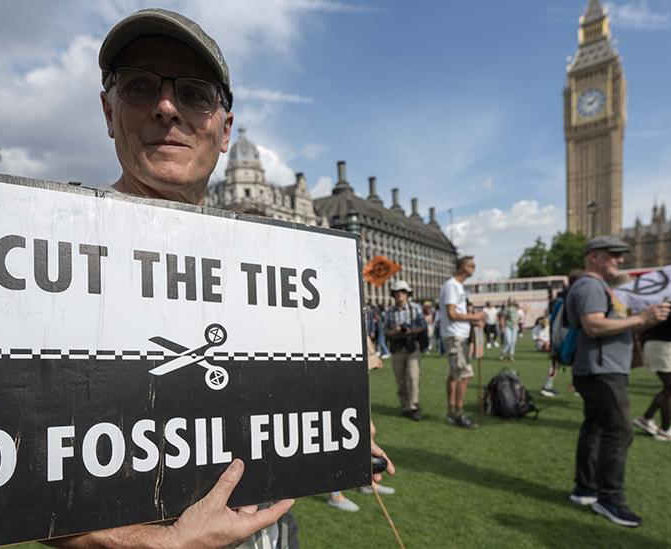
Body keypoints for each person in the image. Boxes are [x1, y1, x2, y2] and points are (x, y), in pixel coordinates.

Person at [46, 10, 394, 547]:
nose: (167, 107)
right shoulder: (59, 248)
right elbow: (25, 479)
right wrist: (153, 543)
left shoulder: (269, 261)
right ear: (108, 111)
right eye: (139, 87)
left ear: (224, 130)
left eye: (194, 94)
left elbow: (276, 393)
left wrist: (332, 433)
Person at [566, 237, 670, 528]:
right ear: (594, 257)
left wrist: (644, 319)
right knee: (620, 430)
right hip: (601, 369)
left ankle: (586, 489)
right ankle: (609, 499)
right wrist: (641, 320)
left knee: (596, 427)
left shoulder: (597, 287)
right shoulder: (590, 286)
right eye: (614, 255)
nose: (620, 260)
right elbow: (594, 325)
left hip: (600, 367)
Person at [632, 289, 671, 442]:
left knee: (669, 387)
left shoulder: (656, 303)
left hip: (661, 347)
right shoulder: (668, 305)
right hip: (665, 348)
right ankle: (665, 429)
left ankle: (646, 418)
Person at [439, 256, 484, 429]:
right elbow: (452, 313)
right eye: (471, 265)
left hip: (458, 335)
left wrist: (472, 321)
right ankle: (458, 414)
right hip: (455, 336)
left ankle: (451, 412)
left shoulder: (457, 286)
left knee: (454, 375)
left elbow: (456, 313)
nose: (474, 267)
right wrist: (475, 317)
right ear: (462, 267)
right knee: (464, 375)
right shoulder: (452, 285)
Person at [385, 280, 426, 421]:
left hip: (412, 345)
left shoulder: (415, 308)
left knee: (414, 377)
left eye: (403, 292)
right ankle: (405, 406)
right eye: (397, 292)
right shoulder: (389, 311)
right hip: (397, 347)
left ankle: (414, 406)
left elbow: (423, 326)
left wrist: (410, 330)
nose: (400, 295)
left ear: (408, 294)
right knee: (400, 380)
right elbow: (386, 332)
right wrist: (395, 331)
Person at [542, 270, 584, 398]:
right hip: (570, 334)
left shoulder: (560, 298)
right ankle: (577, 386)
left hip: (558, 334)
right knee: (577, 361)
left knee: (557, 362)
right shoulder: (577, 296)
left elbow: (553, 318)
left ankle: (548, 385)